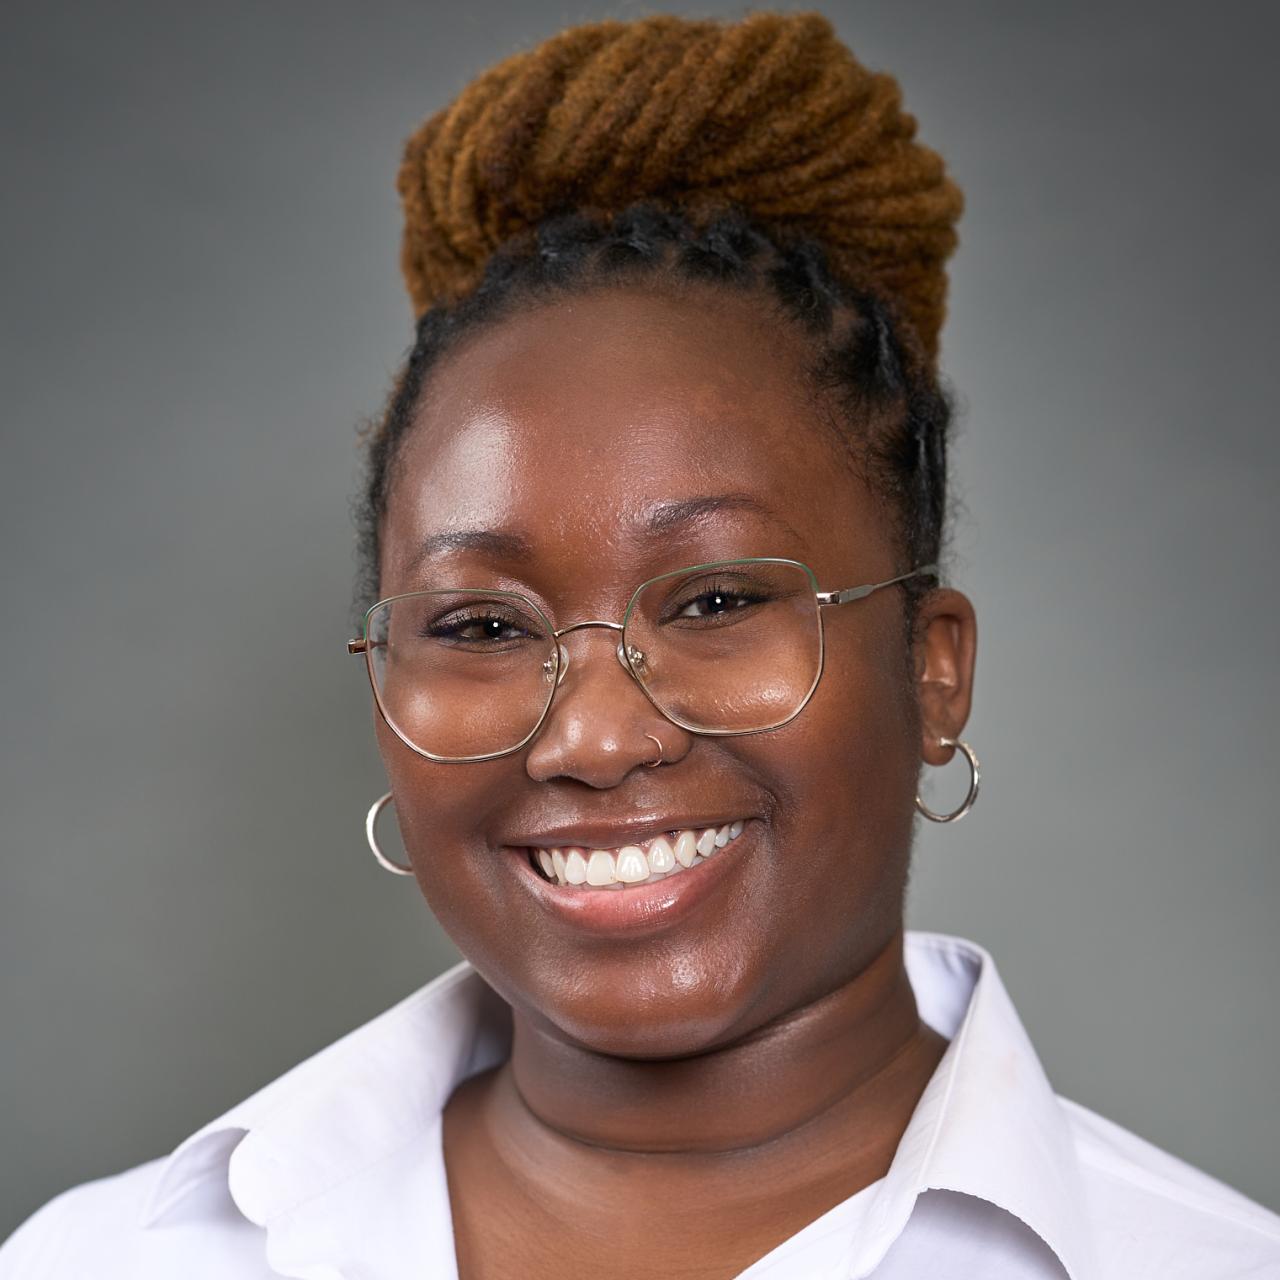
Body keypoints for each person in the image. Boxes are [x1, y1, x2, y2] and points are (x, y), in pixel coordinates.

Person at [3, 11, 1277, 1279]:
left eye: (717, 601)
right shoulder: (107, 1257)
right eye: (483, 624)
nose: (596, 738)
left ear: (932, 670)